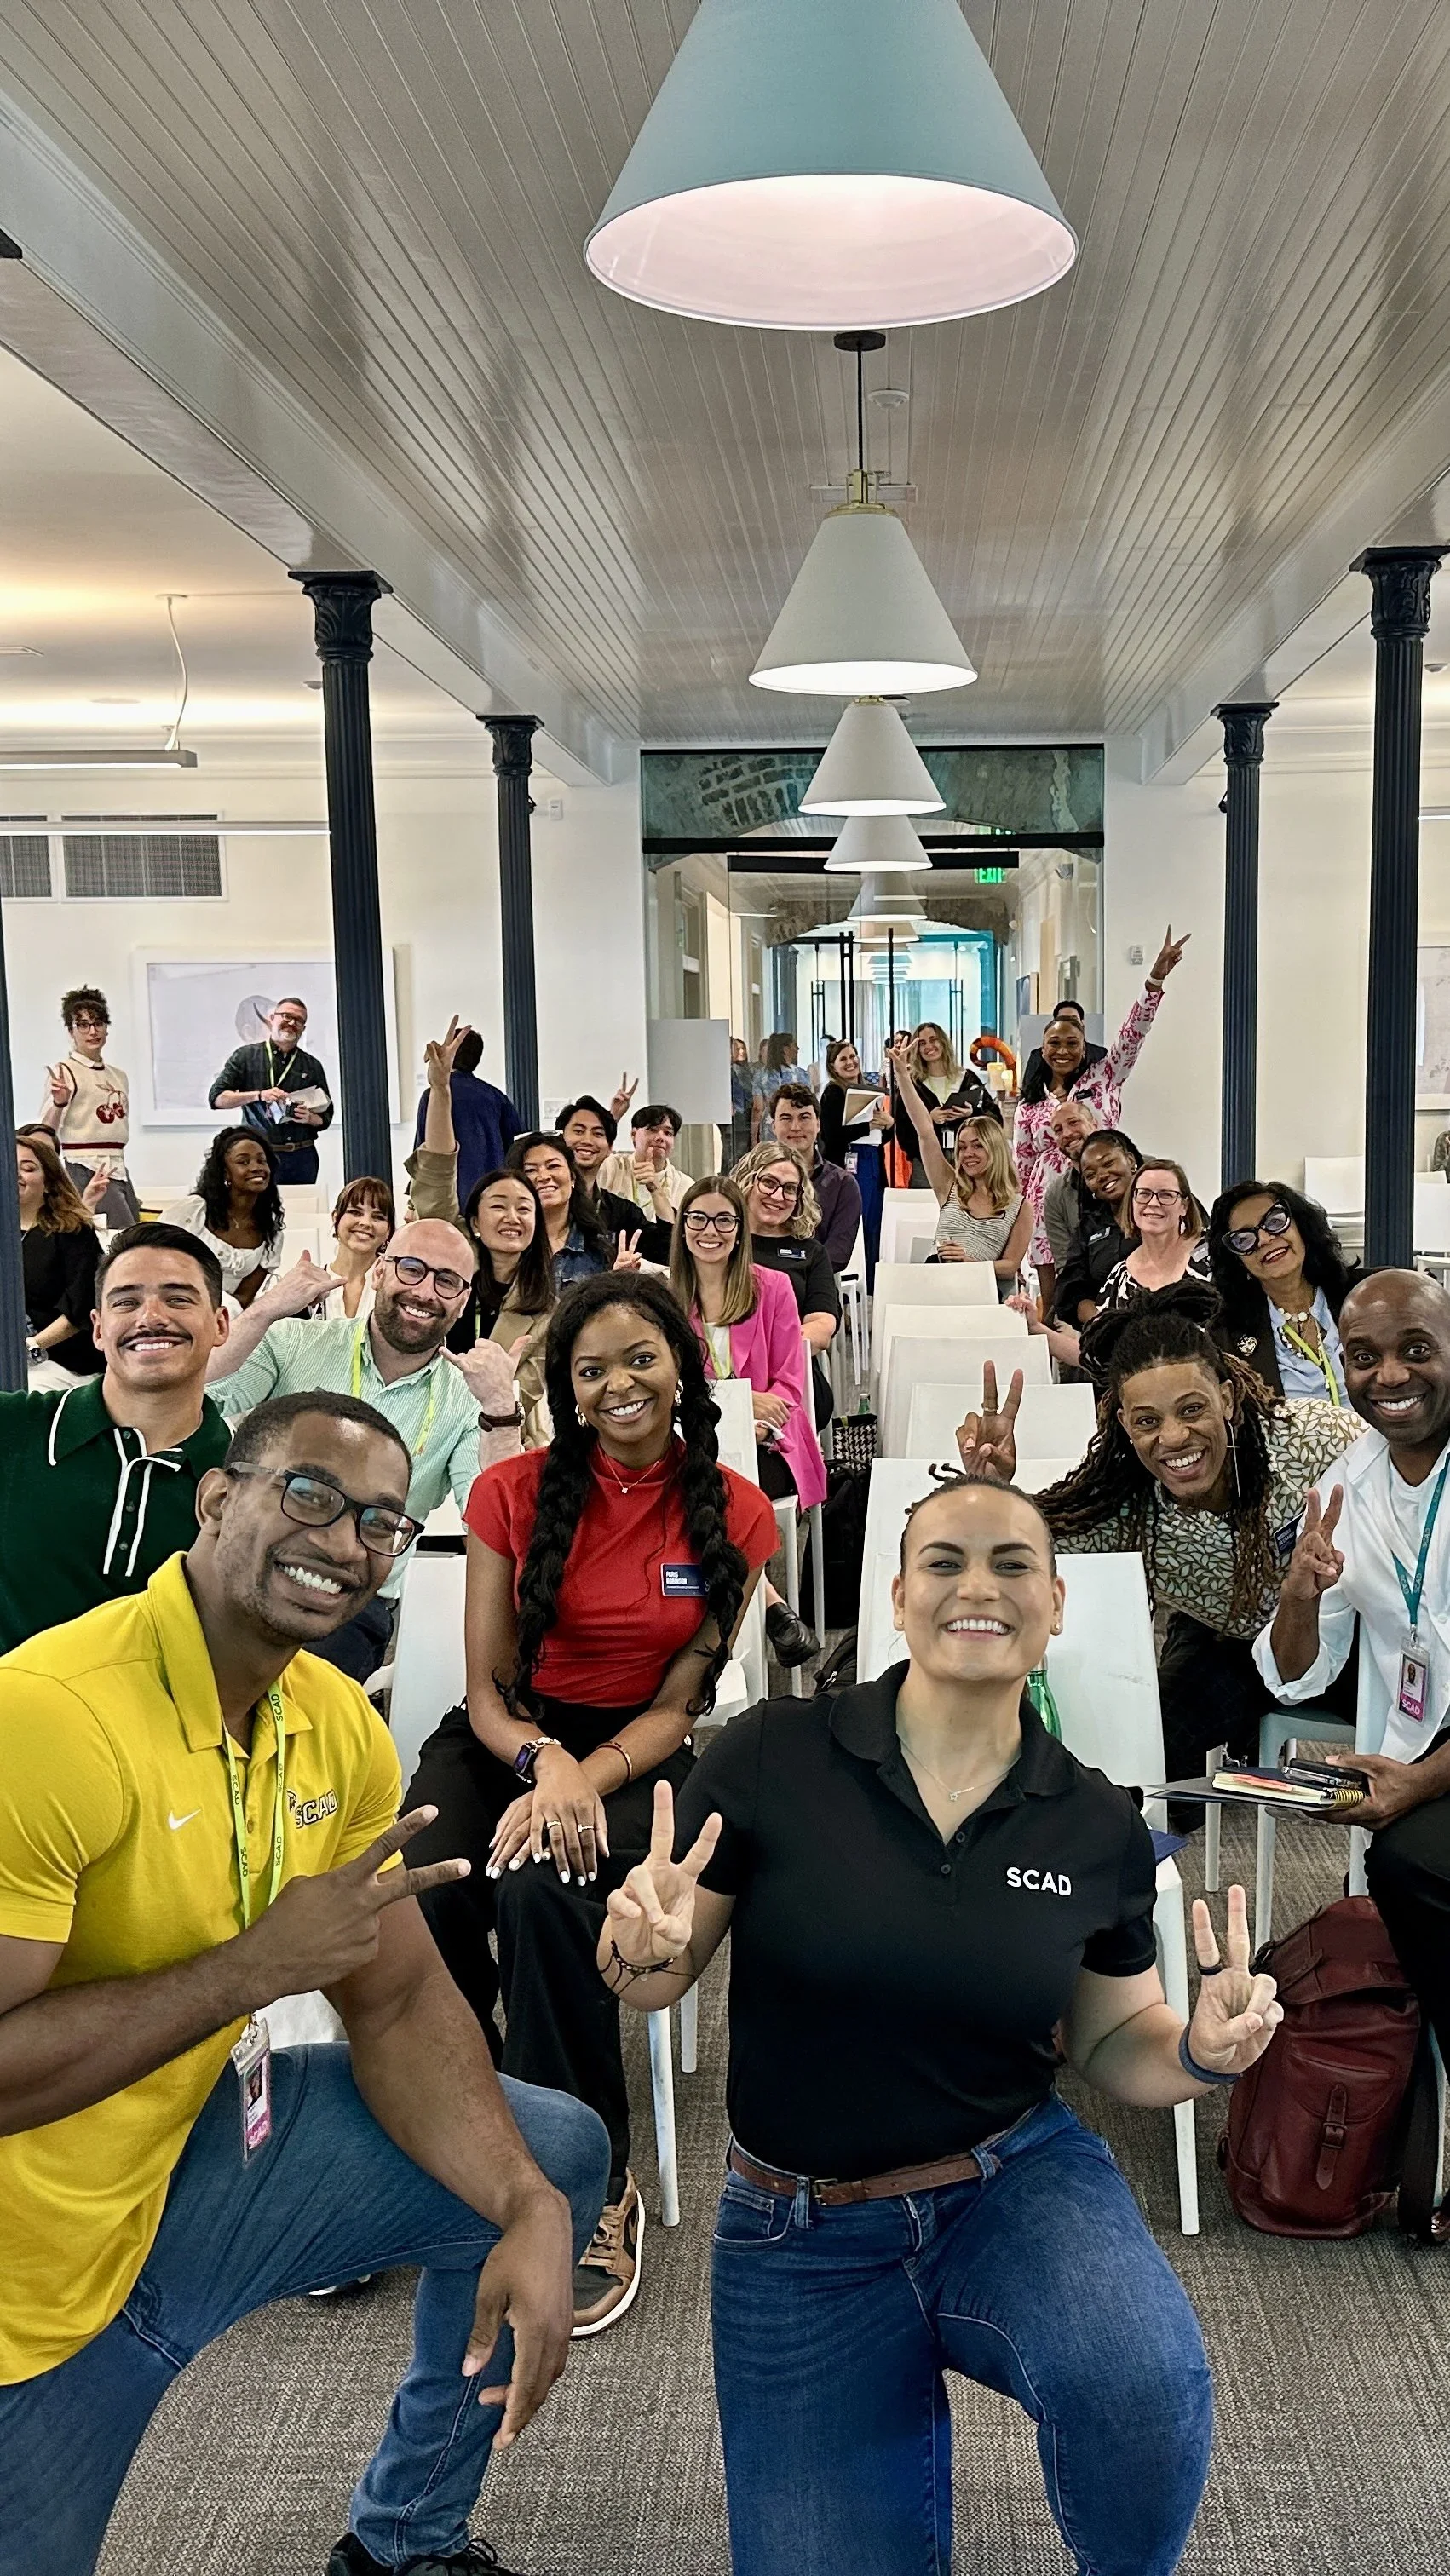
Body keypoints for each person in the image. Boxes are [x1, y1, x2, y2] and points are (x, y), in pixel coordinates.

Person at [601, 1471, 1282, 2576]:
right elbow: (650, 1980)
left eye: (1012, 1564)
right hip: (800, 2230)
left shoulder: (1091, 1820)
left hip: (1009, 2183)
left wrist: (1201, 2054)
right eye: (944, 1562)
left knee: (1143, 2389)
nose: (978, 1586)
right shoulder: (774, 1752)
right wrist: (637, 1942)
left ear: (1054, 1604)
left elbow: (1111, 2041)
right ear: (898, 1596)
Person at [0, 1388, 607, 2576]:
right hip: (29, 2281)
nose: (345, 1541)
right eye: (312, 1494)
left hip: (188, 2165)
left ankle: (406, 2544)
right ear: (217, 1499)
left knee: (550, 2153)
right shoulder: (52, 1716)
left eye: (381, 1522)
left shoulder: (329, 1718)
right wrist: (248, 1972)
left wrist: (529, 2206)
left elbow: (399, 1999)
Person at [404, 1274, 777, 2336]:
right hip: (507, 1740)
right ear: (566, 1390)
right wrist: (544, 1764)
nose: (620, 1384)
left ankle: (586, 2179)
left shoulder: (738, 1514)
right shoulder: (509, 1492)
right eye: (592, 1369)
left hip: (636, 1756)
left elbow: (679, 1707)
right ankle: (469, 2131)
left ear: (681, 1368)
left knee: (544, 1895)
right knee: (424, 1884)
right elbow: (485, 1691)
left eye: (640, 1359)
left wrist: (584, 1774)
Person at [961, 1285, 1363, 1784]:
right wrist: (992, 1490)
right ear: (1124, 1424)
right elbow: (1022, 1551)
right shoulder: (1124, 1512)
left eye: (1192, 1410)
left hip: (1349, 1634)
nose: (1173, 1437)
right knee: (1152, 1758)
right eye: (1148, 1421)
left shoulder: (1318, 1440)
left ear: (1226, 1399)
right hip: (1227, 1641)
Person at [1255, 1272, 1450, 2062]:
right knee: (1404, 1874)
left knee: (1409, 1864)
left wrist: (1421, 1783)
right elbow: (1296, 1674)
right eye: (1365, 1357)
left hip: (1430, 1766)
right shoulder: (1346, 1485)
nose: (1390, 1376)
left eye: (1417, 1350)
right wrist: (1298, 1596)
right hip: (1417, 1737)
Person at [206, 1218, 499, 1682]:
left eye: (447, 1281)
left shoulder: (467, 1400)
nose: (425, 1292)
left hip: (348, 1595)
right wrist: (265, 1311)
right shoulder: (293, 1341)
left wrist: (502, 1412)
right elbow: (199, 1399)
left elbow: (492, 1520)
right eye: (411, 1269)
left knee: (295, 1692)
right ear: (379, 1271)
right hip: (251, 1564)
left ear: (462, 1303)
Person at [0, 1222, 232, 1656]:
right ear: (98, 1329)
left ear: (220, 1325)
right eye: (126, 1302)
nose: (151, 1318)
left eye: (178, 1299)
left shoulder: (245, 1479)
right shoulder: (13, 1427)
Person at [670, 1175, 826, 1668]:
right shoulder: (666, 1297)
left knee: (710, 1491)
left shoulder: (773, 1288)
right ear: (682, 1226)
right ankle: (770, 1603)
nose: (710, 1231)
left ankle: (710, 1650)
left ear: (740, 1230)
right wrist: (740, 1405)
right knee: (696, 1484)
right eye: (698, 1218)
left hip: (768, 1443)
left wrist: (756, 1418)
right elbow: (666, 1386)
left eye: (724, 1220)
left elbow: (789, 1385)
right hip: (692, 1439)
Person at [1014, 929, 1189, 1299]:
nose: (1063, 1050)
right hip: (1049, 1199)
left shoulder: (1105, 1076)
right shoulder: (1029, 1103)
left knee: (1117, 1268)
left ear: (1084, 1047)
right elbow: (1022, 1168)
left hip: (1106, 1187)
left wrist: (1154, 981)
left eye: (1072, 1043)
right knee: (1059, 1293)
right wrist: (1015, 1224)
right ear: (1042, 1050)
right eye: (1054, 1043)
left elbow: (1133, 1033)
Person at [887, 1044, 1030, 1283]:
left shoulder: (1019, 1206)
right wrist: (902, 1075)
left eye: (977, 1146)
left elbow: (1010, 1266)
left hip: (980, 1286)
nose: (967, 1154)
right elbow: (925, 1132)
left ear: (994, 1149)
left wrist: (969, 1263)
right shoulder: (950, 1186)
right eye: (962, 1147)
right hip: (937, 1277)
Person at [1207, 1180, 1359, 1404]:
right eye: (1244, 1239)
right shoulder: (1226, 1335)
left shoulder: (1366, 1292)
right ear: (1236, 1260)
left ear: (1302, 1227)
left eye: (1275, 1222)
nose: (1265, 1239)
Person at [728, 1142, 840, 1428]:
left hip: (792, 1375)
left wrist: (769, 1356)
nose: (778, 1196)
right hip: (726, 1372)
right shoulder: (721, 1241)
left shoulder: (811, 1253)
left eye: (790, 1189)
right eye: (769, 1183)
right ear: (747, 1181)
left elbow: (822, 1326)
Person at [37, 985, 139, 1226]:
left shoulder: (118, 1076)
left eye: (98, 1024)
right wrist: (59, 1103)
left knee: (133, 1229)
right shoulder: (65, 1071)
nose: (92, 1032)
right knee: (121, 1232)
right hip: (83, 1163)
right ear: (71, 1031)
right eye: (83, 1025)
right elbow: (45, 1132)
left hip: (117, 1163)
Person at [209, 994, 333, 1187]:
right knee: (258, 1206)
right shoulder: (246, 1056)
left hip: (302, 1157)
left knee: (302, 1204)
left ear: (303, 1028)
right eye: (287, 1016)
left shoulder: (312, 1065)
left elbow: (326, 1117)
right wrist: (259, 1095)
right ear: (272, 1018)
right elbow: (217, 1099)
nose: (292, 1023)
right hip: (260, 1157)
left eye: (299, 1021)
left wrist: (309, 1118)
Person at [164, 1126, 285, 1311]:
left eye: (262, 1160)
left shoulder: (271, 1233)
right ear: (225, 1172)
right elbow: (153, 1258)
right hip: (176, 1305)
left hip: (227, 1315)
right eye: (243, 1162)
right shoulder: (193, 1211)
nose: (257, 1168)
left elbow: (243, 1299)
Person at [16, 1131, 103, 1377]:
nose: (16, 1175)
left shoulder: (74, 1231)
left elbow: (81, 1307)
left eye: (28, 1168)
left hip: (61, 1359)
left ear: (49, 1183)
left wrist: (30, 1348)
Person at [411, 1020, 520, 1210]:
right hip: (492, 1193)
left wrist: (412, 1202)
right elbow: (517, 1145)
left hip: (446, 1195)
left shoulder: (433, 1096)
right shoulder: (496, 1097)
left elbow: (423, 1149)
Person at [508, 1131, 635, 1286]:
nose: (543, 1176)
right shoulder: (507, 1245)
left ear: (572, 1176)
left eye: (553, 1166)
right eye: (530, 1170)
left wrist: (618, 1281)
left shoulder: (601, 1247)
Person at [558, 1094, 673, 1261]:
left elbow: (667, 1251)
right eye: (578, 1131)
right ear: (560, 1138)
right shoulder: (544, 1200)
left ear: (610, 1147)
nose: (587, 1140)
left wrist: (656, 1190)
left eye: (598, 1133)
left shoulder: (620, 1212)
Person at [1051, 1130, 1143, 1326]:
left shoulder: (1164, 1207)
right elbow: (1070, 1290)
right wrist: (1101, 1320)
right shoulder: (1089, 1227)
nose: (1101, 1176)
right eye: (1090, 1175)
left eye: (1108, 1163)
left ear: (1130, 1160)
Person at [768, 1083, 862, 1272]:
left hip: (816, 1282)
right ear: (773, 1126)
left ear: (818, 1124)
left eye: (804, 1117)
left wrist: (789, 1271)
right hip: (763, 1281)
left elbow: (838, 1255)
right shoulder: (755, 1181)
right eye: (786, 1118)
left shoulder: (843, 1185)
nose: (796, 1127)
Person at [895, 1022, 1000, 1189]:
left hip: (968, 1158)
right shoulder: (913, 1085)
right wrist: (927, 1120)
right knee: (926, 1204)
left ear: (943, 1042)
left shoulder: (967, 1078)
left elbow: (995, 1119)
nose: (929, 1046)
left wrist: (971, 1114)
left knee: (971, 1201)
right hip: (927, 1162)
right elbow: (902, 1131)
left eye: (933, 1040)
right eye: (922, 1043)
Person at [598, 1101, 693, 1227]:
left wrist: (656, 1189)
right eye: (652, 1130)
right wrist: (612, 1118)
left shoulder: (685, 1185)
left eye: (668, 1133)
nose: (660, 1138)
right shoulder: (611, 1167)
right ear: (633, 1134)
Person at [320, 1177, 396, 1321]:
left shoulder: (396, 1284)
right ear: (336, 1218)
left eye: (378, 1217)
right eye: (356, 1212)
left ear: (388, 1230)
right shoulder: (313, 1284)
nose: (366, 1223)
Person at [1040, 1099, 1099, 1274]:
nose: (1066, 1133)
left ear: (1094, 1124)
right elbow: (1066, 1266)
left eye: (1073, 1122)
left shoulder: (1141, 1172)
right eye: (1058, 1130)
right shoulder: (1056, 1195)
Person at [1017, 996, 1106, 1101]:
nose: (1062, 1051)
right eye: (1062, 1019)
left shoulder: (1099, 1054)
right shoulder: (1037, 1056)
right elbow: (1029, 1090)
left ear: (1082, 1024)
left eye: (1073, 1020)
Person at [728, 1036, 755, 1166]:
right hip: (737, 1116)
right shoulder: (731, 1070)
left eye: (742, 1048)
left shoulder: (745, 1070)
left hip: (744, 1114)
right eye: (736, 1048)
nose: (740, 1052)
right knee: (736, 1150)